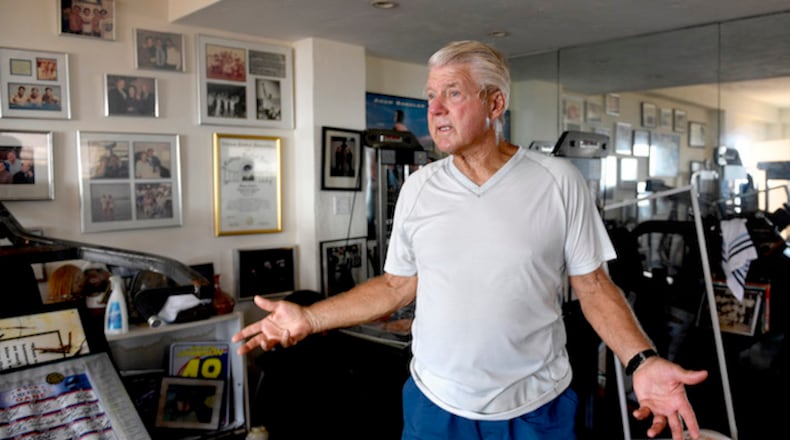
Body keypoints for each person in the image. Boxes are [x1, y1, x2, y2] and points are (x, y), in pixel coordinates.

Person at [232, 40, 708, 440]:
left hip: (536, 406)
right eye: (431, 95)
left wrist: (640, 360)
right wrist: (310, 317)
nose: (434, 108)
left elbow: (594, 287)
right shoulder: (419, 188)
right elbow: (397, 287)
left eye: (452, 93)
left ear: (495, 104)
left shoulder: (557, 181)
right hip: (435, 406)